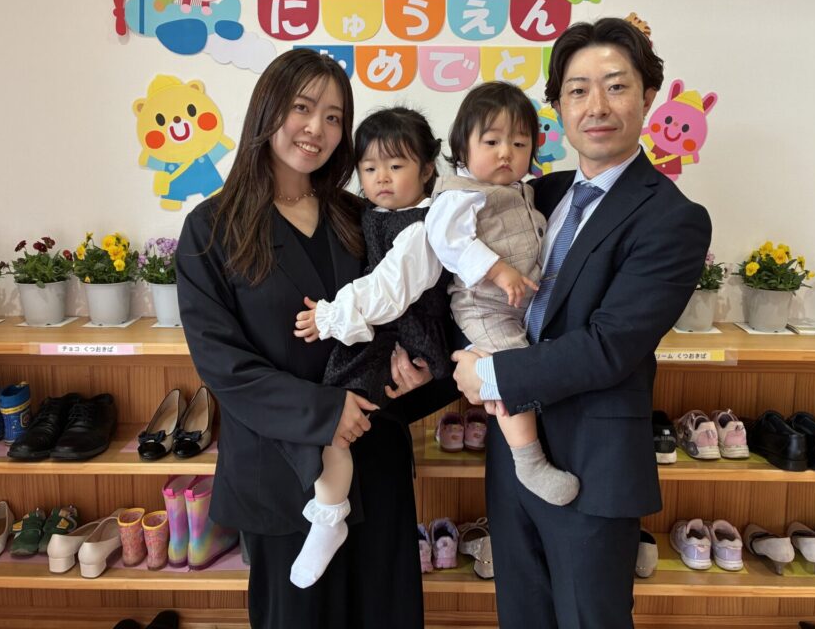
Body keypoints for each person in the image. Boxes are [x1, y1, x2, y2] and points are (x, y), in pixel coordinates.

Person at [176, 49, 455, 629]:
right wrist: (324, 412)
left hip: (375, 455)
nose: (317, 129)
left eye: (333, 117)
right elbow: (222, 364)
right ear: (267, 110)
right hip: (280, 467)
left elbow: (422, 309)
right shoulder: (213, 227)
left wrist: (422, 375)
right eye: (302, 108)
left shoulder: (364, 215)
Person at [451, 18, 712, 628]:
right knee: (522, 615)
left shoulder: (672, 218)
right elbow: (469, 283)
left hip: (596, 468)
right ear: (558, 107)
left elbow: (609, 347)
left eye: (616, 86)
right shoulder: (536, 194)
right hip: (514, 455)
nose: (596, 106)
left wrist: (490, 376)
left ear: (649, 96)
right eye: (577, 90)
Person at [288, 107, 452, 588]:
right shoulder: (374, 214)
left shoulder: (422, 227)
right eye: (370, 167)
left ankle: (328, 516)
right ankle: (330, 512)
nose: (381, 177)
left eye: (396, 166)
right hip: (386, 334)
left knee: (332, 422)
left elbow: (388, 290)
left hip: (401, 337)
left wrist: (330, 316)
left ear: (427, 168)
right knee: (332, 418)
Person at [425, 81, 579, 506]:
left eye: (519, 143)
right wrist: (496, 269)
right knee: (511, 370)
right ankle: (529, 461)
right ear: (462, 147)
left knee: (518, 367)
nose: (506, 153)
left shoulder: (523, 191)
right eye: (491, 142)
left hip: (517, 307)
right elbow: (447, 240)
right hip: (484, 306)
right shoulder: (460, 194)